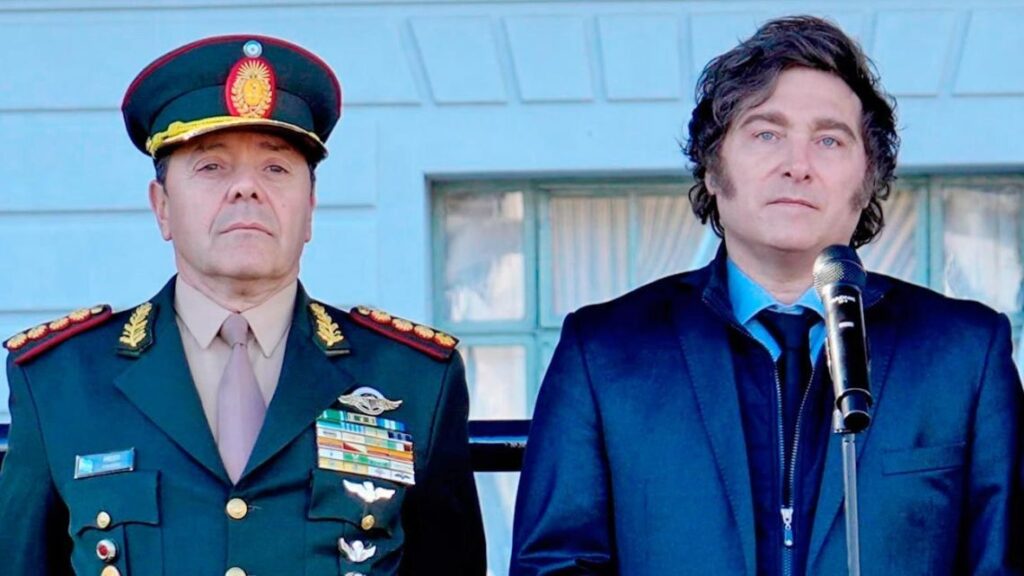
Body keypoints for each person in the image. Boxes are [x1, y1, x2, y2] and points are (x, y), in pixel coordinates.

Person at [510, 15, 1022, 576]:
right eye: (766, 134)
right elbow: (555, 565)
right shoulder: (604, 350)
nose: (797, 166)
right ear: (712, 168)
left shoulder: (966, 352)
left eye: (829, 140)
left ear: (868, 178)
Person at [0, 34, 485, 576]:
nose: (246, 189)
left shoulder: (413, 379)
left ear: (310, 208)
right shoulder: (61, 380)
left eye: (276, 168)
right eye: (211, 167)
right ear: (162, 207)